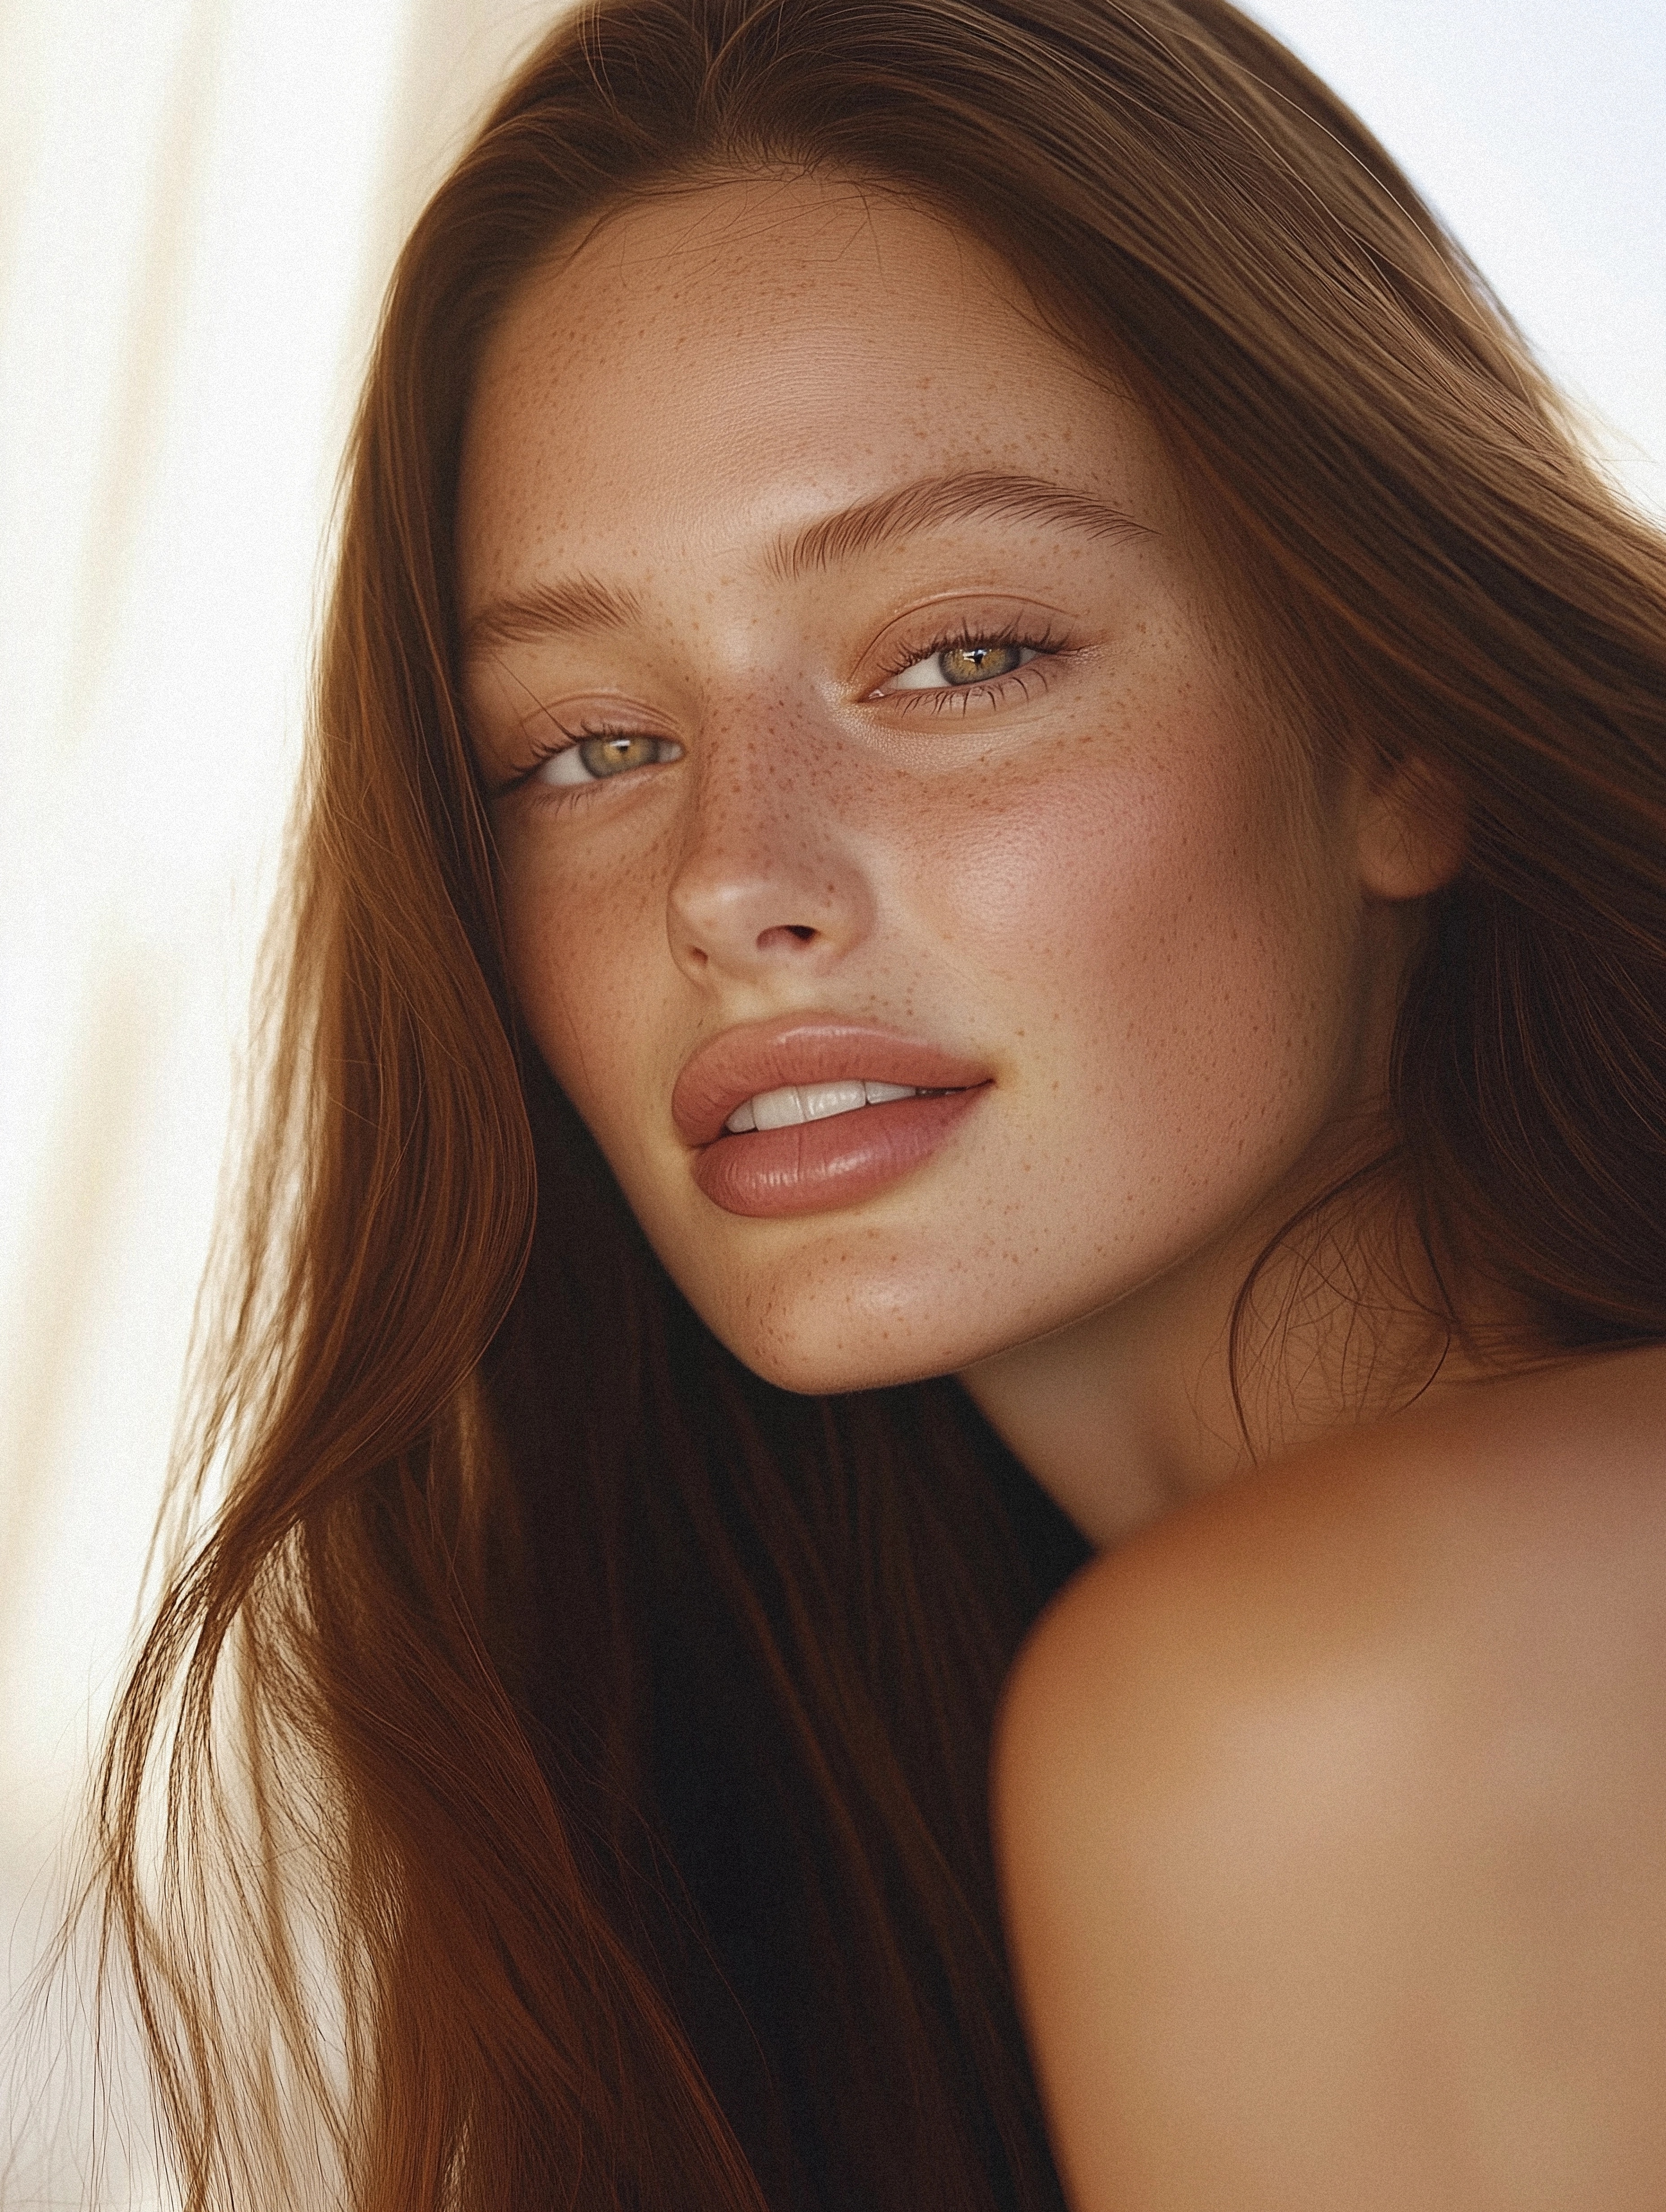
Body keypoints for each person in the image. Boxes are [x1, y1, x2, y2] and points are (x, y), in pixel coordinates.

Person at [90, 0, 1666, 2205]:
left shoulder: (1326, 1704)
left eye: (960, 655)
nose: (732, 880)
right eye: (584, 746)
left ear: (1402, 726)